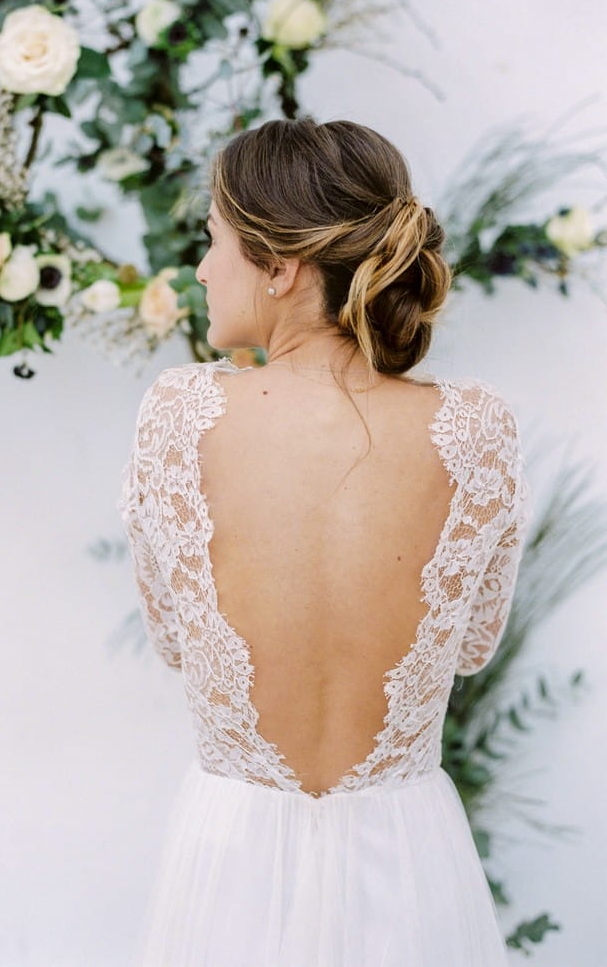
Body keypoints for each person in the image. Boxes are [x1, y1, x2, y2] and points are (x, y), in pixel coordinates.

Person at [117, 117, 531, 966]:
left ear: (280, 264)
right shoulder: (477, 429)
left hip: (232, 861)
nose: (201, 267)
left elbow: (172, 640)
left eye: (214, 240)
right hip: (409, 861)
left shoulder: (178, 416)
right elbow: (474, 646)